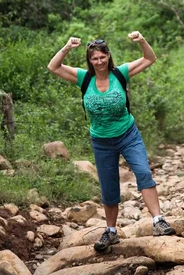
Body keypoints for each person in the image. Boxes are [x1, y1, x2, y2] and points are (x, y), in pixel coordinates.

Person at [47, 31, 175, 252]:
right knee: (108, 187)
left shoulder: (120, 73)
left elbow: (149, 59)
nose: (99, 62)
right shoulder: (83, 78)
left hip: (128, 135)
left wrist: (142, 40)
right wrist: (67, 47)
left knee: (143, 172)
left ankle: (158, 221)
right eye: (94, 59)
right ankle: (111, 232)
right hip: (101, 141)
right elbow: (53, 67)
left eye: (102, 57)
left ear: (108, 56)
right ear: (89, 61)